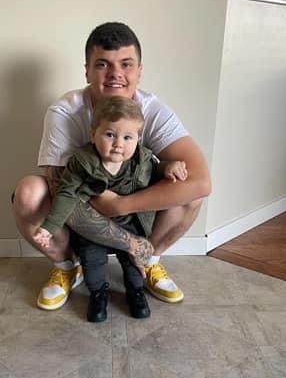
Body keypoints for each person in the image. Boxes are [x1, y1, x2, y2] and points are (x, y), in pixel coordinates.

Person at [12, 21, 211, 311]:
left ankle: (149, 260)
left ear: (139, 71)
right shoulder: (65, 112)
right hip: (78, 208)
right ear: (87, 71)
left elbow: (201, 182)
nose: (115, 74)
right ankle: (67, 266)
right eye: (103, 64)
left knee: (189, 189)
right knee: (29, 192)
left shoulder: (153, 110)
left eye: (126, 64)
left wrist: (121, 205)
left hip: (131, 210)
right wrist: (129, 241)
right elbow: (60, 191)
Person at [34, 97, 188, 322]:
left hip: (132, 224)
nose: (118, 144)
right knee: (92, 263)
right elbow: (66, 194)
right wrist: (49, 227)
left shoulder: (142, 160)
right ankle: (98, 293)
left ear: (138, 139)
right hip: (93, 227)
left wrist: (169, 167)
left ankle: (135, 291)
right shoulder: (82, 162)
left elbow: (156, 170)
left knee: (134, 264)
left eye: (127, 137)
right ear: (93, 134)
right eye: (109, 135)